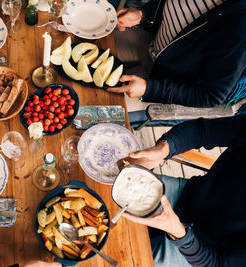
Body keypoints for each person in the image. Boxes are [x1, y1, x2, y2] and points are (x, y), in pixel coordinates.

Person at [121, 114, 246, 266]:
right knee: (105, 191)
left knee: (122, 259)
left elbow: (217, 263)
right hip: (185, 195)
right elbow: (202, 132)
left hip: (198, 251)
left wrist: (181, 235)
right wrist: (164, 149)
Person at [108, 0, 246, 108]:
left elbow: (211, 96)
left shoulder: (240, 24)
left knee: (100, 109)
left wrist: (149, 89)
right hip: (149, 43)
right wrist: (143, 15)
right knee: (92, 42)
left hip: (165, 86)